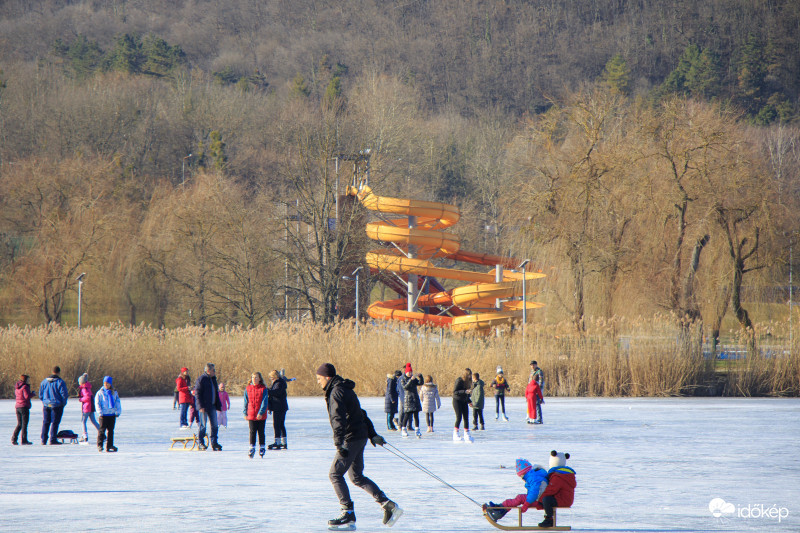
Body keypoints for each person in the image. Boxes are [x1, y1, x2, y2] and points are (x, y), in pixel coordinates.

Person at [315, 363, 402, 530]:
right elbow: (361, 414)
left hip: (350, 438)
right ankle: (387, 504)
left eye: (319, 379)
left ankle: (347, 512)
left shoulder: (336, 392)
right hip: (359, 436)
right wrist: (372, 434)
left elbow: (338, 419)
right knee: (356, 477)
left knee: (335, 474)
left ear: (327, 377)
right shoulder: (345, 389)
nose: (318, 382)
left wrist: (339, 443)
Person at [484, 459, 549, 522]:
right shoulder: (534, 475)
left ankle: (499, 511)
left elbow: (534, 492)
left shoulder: (533, 477)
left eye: (521, 476)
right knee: (517, 499)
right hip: (539, 499)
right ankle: (498, 508)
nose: (522, 479)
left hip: (540, 501)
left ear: (524, 473)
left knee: (520, 498)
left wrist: (526, 504)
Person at [195, 362, 222, 451]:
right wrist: (200, 406)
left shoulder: (213, 379)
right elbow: (197, 394)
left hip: (212, 406)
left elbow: (216, 393)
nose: (215, 372)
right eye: (213, 370)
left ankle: (214, 442)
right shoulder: (201, 379)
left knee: (214, 425)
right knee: (203, 425)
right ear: (208, 370)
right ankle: (200, 442)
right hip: (204, 407)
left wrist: (218, 405)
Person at [39, 366, 68, 445]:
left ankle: (43, 440)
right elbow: (64, 394)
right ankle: (52, 439)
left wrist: (44, 401)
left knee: (46, 422)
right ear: (59, 372)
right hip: (56, 405)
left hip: (46, 405)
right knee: (55, 423)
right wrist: (63, 403)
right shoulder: (60, 382)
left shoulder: (44, 382)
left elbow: (40, 394)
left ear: (52, 371)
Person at [243, 372, 268, 458]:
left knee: (261, 432)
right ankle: (251, 447)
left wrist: (261, 413)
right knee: (252, 432)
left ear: (260, 379)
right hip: (251, 414)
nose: (254, 379)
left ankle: (262, 447)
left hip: (260, 415)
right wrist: (245, 412)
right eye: (253, 377)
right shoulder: (248, 389)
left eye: (256, 377)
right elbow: (245, 402)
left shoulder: (263, 389)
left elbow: (265, 402)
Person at [95, 376, 122, 452]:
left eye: (107, 383)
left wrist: (118, 412)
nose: (106, 385)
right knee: (101, 431)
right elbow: (97, 403)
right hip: (103, 415)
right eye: (105, 383)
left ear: (110, 384)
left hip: (112, 415)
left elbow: (117, 402)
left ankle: (109, 445)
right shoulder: (100, 393)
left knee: (110, 431)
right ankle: (100, 445)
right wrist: (100, 413)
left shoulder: (114, 392)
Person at [267, 370, 289, 450]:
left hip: (279, 407)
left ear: (275, 376)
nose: (271, 379)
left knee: (277, 424)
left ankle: (278, 442)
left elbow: (276, 393)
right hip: (280, 407)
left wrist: (267, 391)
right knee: (281, 424)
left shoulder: (279, 383)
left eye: (271, 377)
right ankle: (283, 442)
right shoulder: (278, 383)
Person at [399, 363, 421, 438]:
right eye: (409, 372)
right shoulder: (403, 379)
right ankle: (404, 429)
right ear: (406, 372)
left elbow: (420, 383)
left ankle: (417, 430)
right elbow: (405, 387)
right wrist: (411, 380)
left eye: (411, 372)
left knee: (416, 416)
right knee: (407, 415)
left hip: (415, 399)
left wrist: (420, 377)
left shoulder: (413, 379)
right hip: (408, 400)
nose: (410, 374)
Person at [77, 373, 100, 443]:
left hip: (87, 408)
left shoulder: (84, 388)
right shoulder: (87, 387)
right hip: (90, 407)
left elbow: (87, 397)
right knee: (93, 421)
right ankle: (102, 433)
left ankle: (85, 435)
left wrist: (81, 399)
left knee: (83, 421)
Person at [452, 368, 473, 442]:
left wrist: (469, 401)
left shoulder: (469, 382)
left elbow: (466, 394)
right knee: (459, 417)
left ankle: (466, 434)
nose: (470, 376)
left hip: (464, 401)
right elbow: (455, 392)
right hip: (457, 400)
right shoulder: (459, 380)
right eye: (469, 375)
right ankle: (455, 434)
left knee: (466, 417)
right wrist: (464, 391)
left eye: (470, 375)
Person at [12, 374, 34, 445]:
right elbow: (27, 396)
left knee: (19, 424)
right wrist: (32, 394)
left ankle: (14, 438)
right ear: (25, 380)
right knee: (24, 424)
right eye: (28, 379)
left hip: (18, 407)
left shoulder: (17, 387)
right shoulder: (25, 387)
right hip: (24, 406)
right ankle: (24, 440)